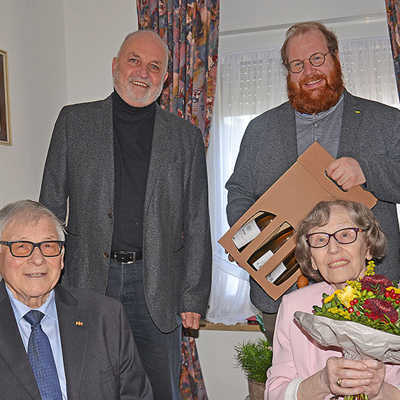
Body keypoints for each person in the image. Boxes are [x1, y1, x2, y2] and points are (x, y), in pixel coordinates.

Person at [39, 30, 212, 400]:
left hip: (158, 288)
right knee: (89, 385)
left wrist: (194, 297)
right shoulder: (74, 122)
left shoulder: (185, 137)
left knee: (159, 389)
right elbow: (50, 207)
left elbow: (197, 221)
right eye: (134, 60)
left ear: (165, 78)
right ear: (115, 66)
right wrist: (44, 275)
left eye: (155, 66)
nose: (143, 72)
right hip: (86, 281)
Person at [226, 21, 400, 339]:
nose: (310, 71)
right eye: (297, 65)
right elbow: (238, 191)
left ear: (335, 58)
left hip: (370, 297)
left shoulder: (387, 121)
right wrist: (248, 240)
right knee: (293, 385)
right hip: (282, 295)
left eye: (317, 59)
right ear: (288, 73)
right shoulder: (260, 130)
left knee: (367, 387)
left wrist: (368, 172)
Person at [0, 200, 153, 400]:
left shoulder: (105, 317)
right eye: (22, 247)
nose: (37, 259)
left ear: (62, 257)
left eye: (48, 246)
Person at [265, 200, 400, 399]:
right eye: (320, 240)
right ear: (312, 259)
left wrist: (381, 392)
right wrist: (321, 383)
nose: (333, 249)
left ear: (369, 246)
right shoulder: (294, 307)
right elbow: (273, 394)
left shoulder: (395, 303)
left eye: (345, 235)